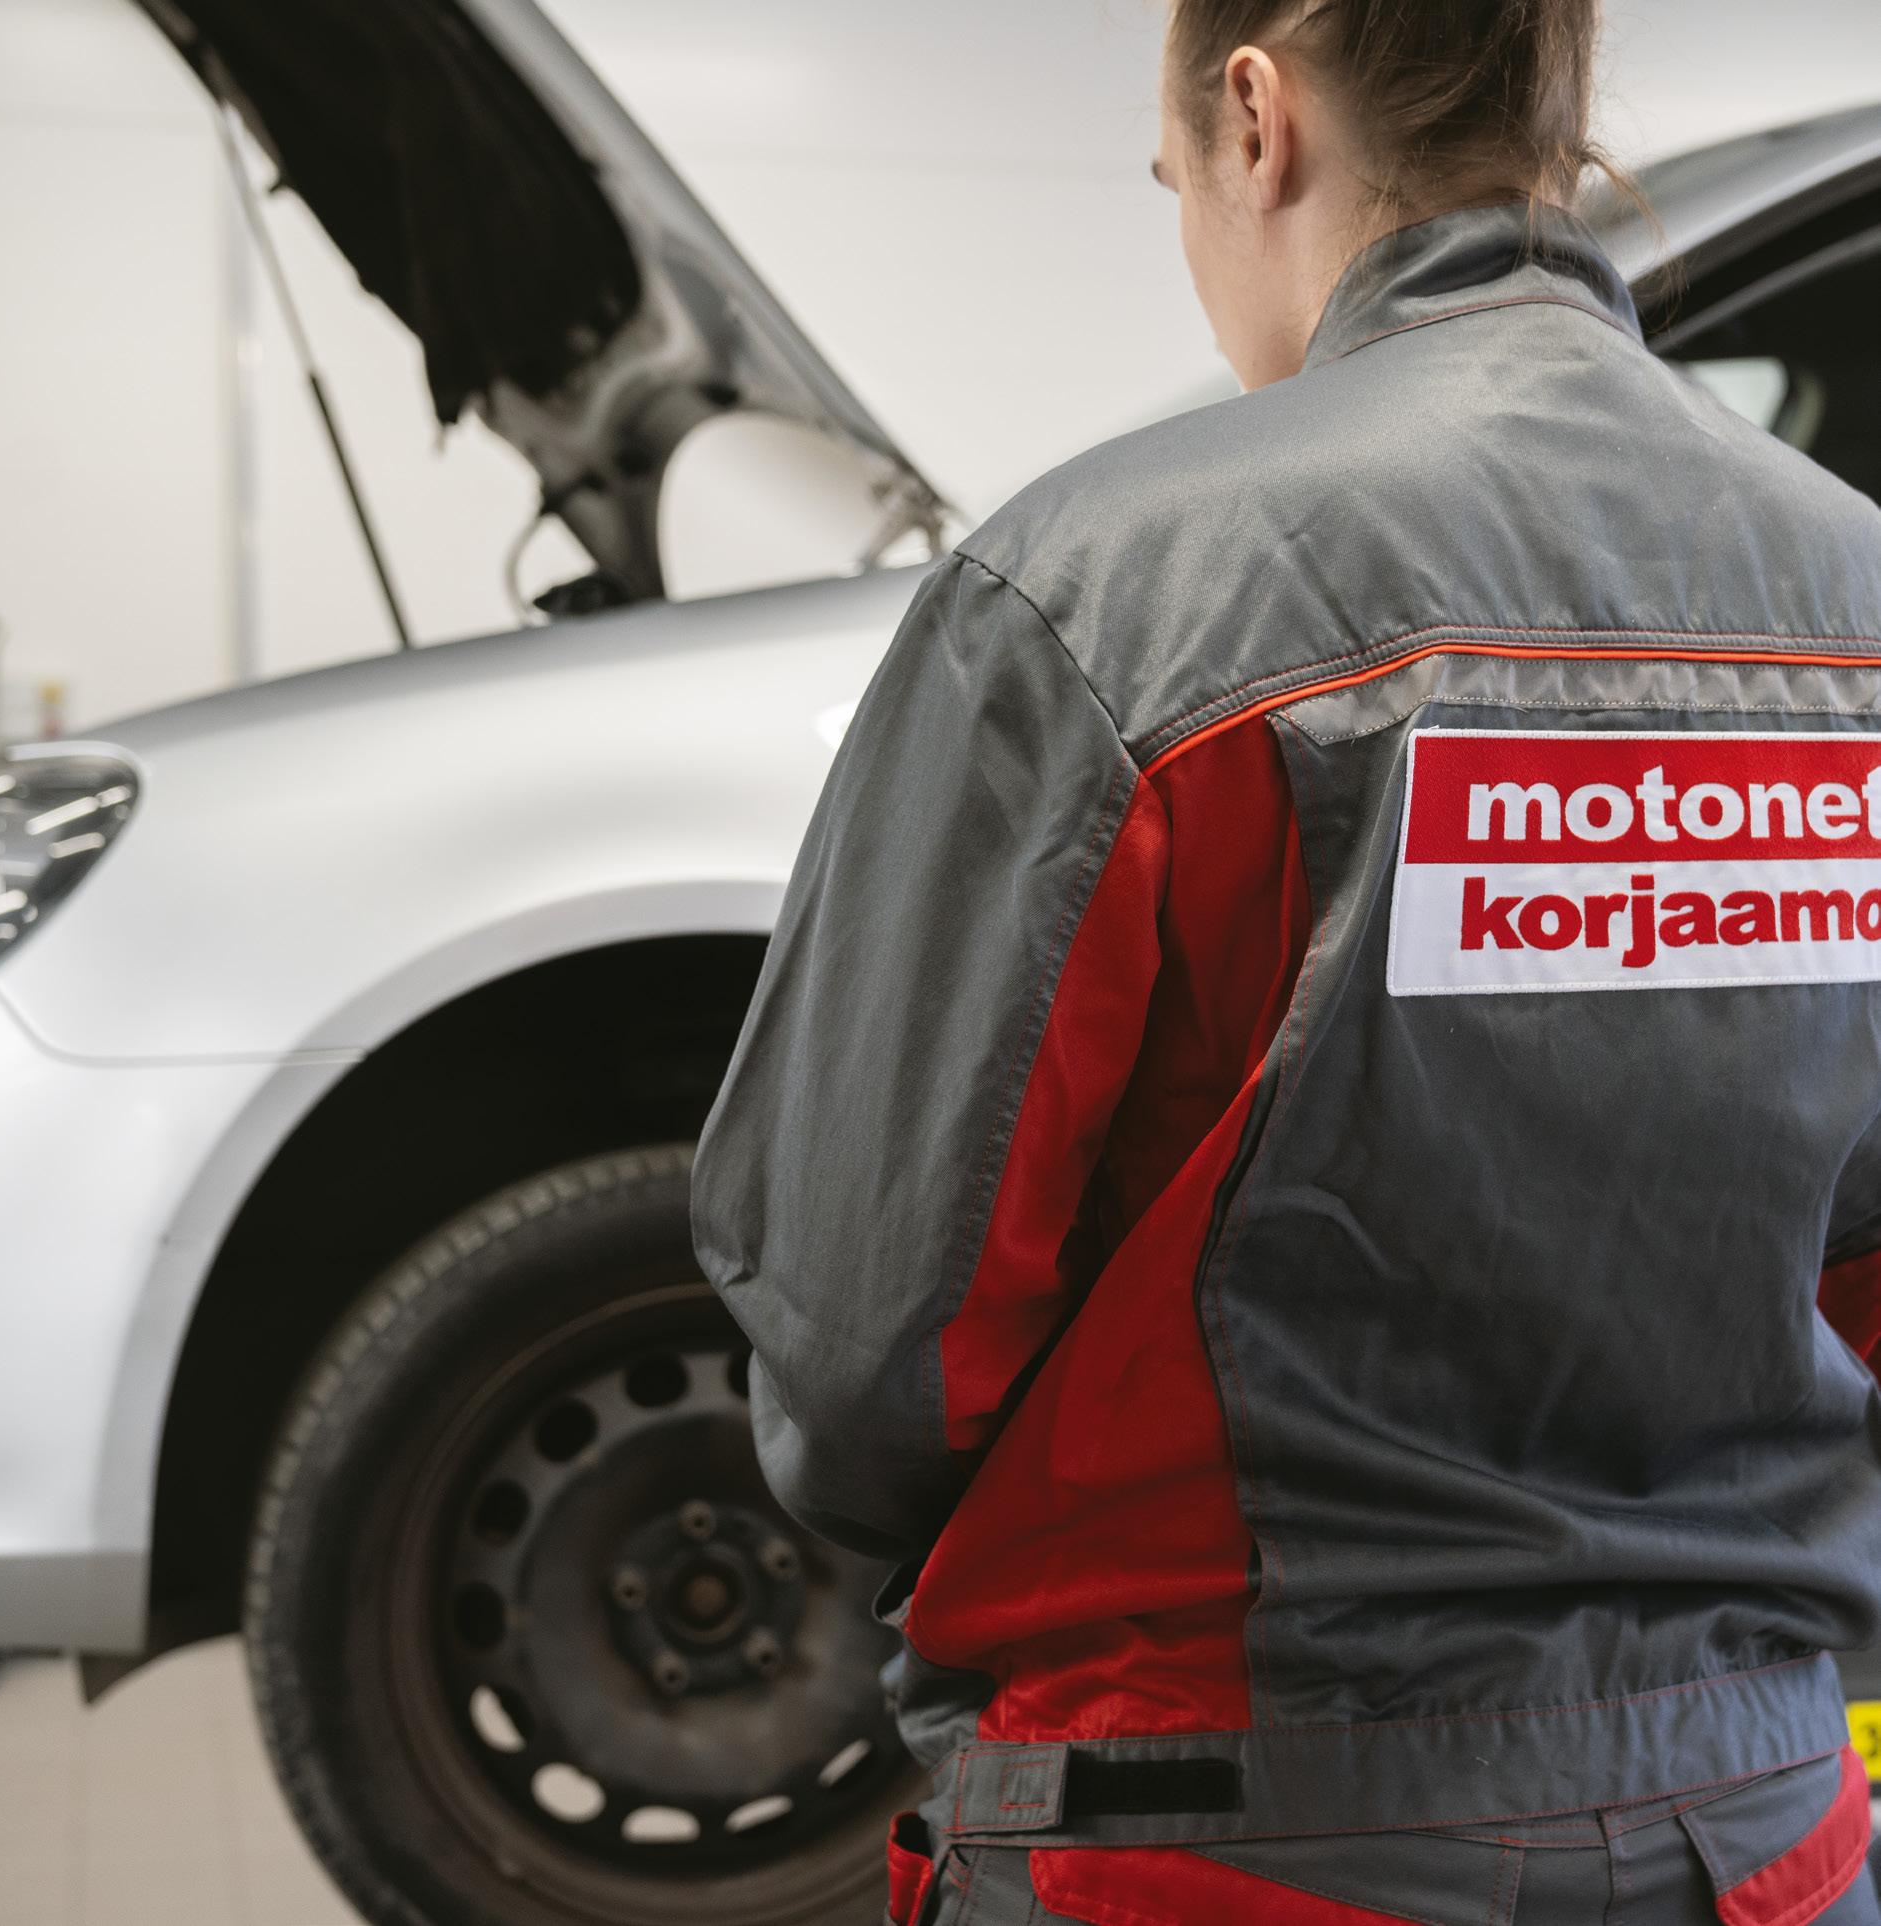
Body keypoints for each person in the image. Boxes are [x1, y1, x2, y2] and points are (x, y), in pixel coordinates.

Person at [689, 2, 1881, 1921]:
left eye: (1171, 181)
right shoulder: (1858, 604)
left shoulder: (1099, 596)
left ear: (1256, 118)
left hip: (1219, 1830)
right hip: (1759, 1834)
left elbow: (870, 1347)